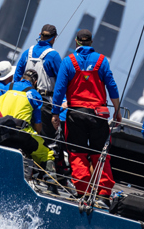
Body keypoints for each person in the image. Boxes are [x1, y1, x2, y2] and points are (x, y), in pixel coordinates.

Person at [50, 29, 121, 198]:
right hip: (98, 114)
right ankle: (103, 194)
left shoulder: (68, 62)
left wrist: (55, 113)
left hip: (76, 114)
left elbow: (59, 90)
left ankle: (83, 191)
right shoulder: (102, 61)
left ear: (76, 42)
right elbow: (112, 87)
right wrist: (117, 111)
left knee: (77, 154)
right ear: (91, 42)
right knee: (100, 154)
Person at [0, 68, 54, 172]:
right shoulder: (34, 94)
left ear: (21, 78)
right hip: (20, 133)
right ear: (35, 82)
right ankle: (50, 183)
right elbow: (37, 124)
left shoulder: (6, 88)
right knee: (47, 153)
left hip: (0, 130)